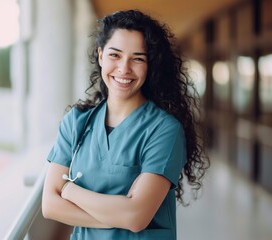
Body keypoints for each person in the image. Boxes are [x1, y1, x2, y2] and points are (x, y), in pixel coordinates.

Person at [42, 9, 209, 240]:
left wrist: (69, 190)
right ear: (100, 56)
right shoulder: (76, 123)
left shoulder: (164, 130)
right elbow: (50, 205)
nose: (124, 68)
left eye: (138, 58)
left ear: (150, 65)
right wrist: (120, 215)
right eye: (115, 55)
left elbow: (136, 216)